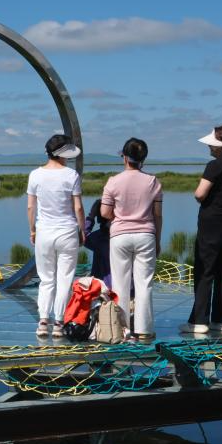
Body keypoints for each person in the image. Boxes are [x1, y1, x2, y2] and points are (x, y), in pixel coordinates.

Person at [182, 126, 222, 334]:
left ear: (220, 146)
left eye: (212, 144)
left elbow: (200, 194)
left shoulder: (214, 166)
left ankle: (199, 321)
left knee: (205, 269)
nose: (209, 146)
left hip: (211, 222)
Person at [101, 138, 163, 341]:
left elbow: (105, 212)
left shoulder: (113, 181)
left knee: (120, 283)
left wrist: (119, 216)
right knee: (144, 283)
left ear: (125, 157)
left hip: (120, 236)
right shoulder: (153, 182)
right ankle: (144, 330)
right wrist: (157, 240)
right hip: (146, 235)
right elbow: (157, 215)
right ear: (143, 159)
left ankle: (122, 329)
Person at [27, 134, 85, 338]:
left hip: (44, 232)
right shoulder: (71, 175)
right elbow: (78, 207)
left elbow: (31, 207)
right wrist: (82, 230)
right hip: (67, 232)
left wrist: (32, 230)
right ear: (62, 154)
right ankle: (59, 322)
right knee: (64, 279)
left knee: (46, 279)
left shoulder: (35, 175)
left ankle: (43, 321)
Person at [83, 200, 111, 288]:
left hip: (102, 287)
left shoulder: (97, 238)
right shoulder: (122, 238)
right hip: (125, 287)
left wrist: (91, 217)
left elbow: (83, 236)